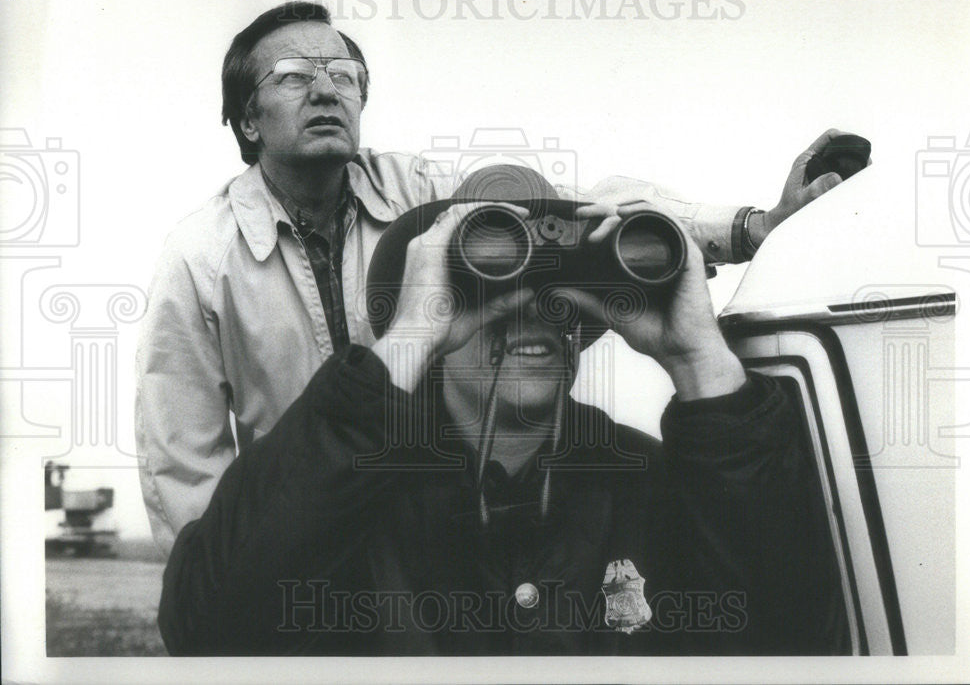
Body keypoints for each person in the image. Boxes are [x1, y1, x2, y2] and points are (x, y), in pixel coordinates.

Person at [135, 0, 850, 555]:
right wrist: (230, 595)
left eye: (344, 76)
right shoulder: (201, 259)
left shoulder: (420, 193)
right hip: (299, 530)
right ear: (248, 120)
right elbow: (183, 466)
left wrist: (754, 227)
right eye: (294, 77)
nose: (328, 91)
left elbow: (575, 213)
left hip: (431, 525)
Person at [158, 165, 848, 655]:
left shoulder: (648, 483)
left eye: (556, 288)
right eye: (490, 281)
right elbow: (210, 629)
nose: (531, 310)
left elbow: (787, 640)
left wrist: (701, 361)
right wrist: (407, 340)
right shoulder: (348, 485)